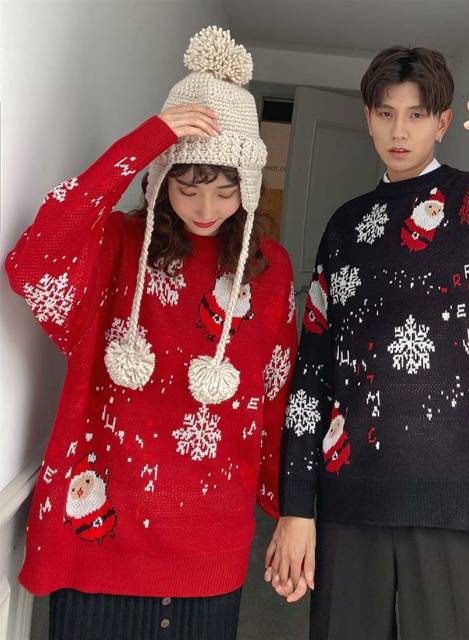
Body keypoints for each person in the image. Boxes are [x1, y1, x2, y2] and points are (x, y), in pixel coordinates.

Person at [266, 45, 469, 640]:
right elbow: (312, 371)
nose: (399, 131)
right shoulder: (344, 226)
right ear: (367, 116)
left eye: (416, 115)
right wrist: (297, 504)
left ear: (442, 122)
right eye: (386, 113)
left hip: (460, 491)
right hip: (351, 492)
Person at [5, 26, 297, 640]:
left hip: (212, 538)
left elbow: (277, 397)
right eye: (188, 188)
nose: (206, 209)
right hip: (103, 533)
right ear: (161, 179)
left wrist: (295, 511)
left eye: (226, 191)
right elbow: (33, 261)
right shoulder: (117, 247)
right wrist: (147, 140)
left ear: (248, 187)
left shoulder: (270, 271)